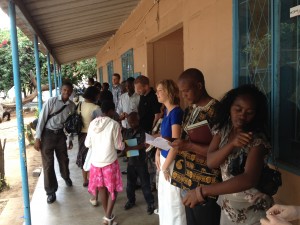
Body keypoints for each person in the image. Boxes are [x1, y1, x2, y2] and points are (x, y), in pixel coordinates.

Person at [182, 84, 274, 225]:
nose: (243, 115)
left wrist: (203, 192)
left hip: (253, 212)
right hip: (229, 208)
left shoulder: (257, 140)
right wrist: (231, 144)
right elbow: (211, 161)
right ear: (229, 107)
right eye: (238, 109)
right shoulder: (223, 130)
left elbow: (249, 179)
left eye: (249, 112)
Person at [170, 68, 221, 225]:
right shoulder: (189, 109)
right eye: (181, 92)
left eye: (186, 91)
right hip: (187, 178)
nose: (184, 96)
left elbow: (220, 151)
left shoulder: (217, 111)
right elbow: (186, 138)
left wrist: (189, 145)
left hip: (207, 183)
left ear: (199, 86)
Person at [34, 81, 76, 204]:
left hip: (60, 135)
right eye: (64, 90)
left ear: (71, 91)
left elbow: (71, 125)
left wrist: (70, 139)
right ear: (61, 90)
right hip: (47, 135)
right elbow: (41, 119)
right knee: (48, 165)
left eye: (68, 90)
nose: (66, 92)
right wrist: (37, 138)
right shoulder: (51, 101)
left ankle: (66, 176)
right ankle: (51, 192)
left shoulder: (72, 106)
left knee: (64, 159)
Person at [85, 100, 124, 225]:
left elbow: (87, 144)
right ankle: (107, 217)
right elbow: (119, 146)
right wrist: (125, 145)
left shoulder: (92, 124)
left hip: (96, 163)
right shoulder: (114, 124)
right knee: (113, 189)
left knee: (102, 188)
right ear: (111, 111)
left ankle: (108, 216)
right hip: (110, 162)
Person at [155, 80, 186, 225]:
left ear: (168, 91)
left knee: (173, 200)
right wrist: (157, 152)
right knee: (164, 198)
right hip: (164, 159)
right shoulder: (166, 111)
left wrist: (165, 166)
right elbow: (164, 138)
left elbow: (175, 144)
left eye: (160, 90)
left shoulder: (176, 113)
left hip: (171, 162)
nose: (157, 93)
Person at [122, 112, 155, 215]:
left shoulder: (143, 132)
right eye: (129, 122)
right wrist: (125, 148)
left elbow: (142, 145)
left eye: (133, 122)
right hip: (131, 162)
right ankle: (131, 201)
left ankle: (150, 203)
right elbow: (124, 143)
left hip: (141, 162)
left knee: (145, 184)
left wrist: (129, 148)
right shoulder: (127, 132)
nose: (131, 124)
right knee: (130, 184)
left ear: (138, 120)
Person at [76, 86, 100, 187]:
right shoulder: (96, 108)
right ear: (94, 95)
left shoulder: (80, 105)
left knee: (83, 155)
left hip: (81, 134)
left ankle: (85, 179)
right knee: (90, 156)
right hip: (92, 135)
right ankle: (90, 179)